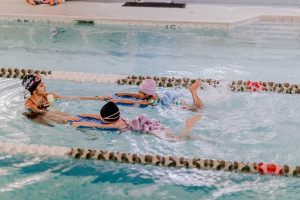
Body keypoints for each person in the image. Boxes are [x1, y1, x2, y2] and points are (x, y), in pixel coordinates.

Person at [71, 102, 201, 141]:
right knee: (176, 135)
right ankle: (199, 138)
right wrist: (85, 114)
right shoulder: (119, 119)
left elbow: (97, 125)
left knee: (176, 140)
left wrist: (81, 123)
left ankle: (188, 125)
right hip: (150, 123)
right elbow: (100, 118)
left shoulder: (116, 124)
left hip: (150, 130)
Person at [22, 74, 110, 122]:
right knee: (67, 120)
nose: (45, 86)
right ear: (34, 91)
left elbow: (73, 98)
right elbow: (41, 112)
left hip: (48, 112)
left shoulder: (48, 96)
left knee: (73, 118)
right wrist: (64, 118)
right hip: (36, 117)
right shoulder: (29, 104)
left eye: (43, 84)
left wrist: (97, 98)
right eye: (41, 85)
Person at [111, 79, 204, 111]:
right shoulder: (152, 94)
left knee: (199, 108)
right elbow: (136, 96)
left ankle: (193, 91)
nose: (138, 94)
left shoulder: (149, 102)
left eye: (141, 92)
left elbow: (131, 102)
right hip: (172, 101)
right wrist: (123, 94)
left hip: (175, 106)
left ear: (147, 94)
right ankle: (192, 91)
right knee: (196, 106)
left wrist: (118, 100)